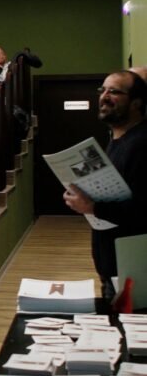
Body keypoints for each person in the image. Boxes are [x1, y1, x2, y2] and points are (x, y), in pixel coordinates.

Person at [64, 71, 147, 300]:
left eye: (114, 91)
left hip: (135, 268)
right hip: (111, 265)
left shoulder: (142, 144)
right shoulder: (116, 139)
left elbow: (142, 209)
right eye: (102, 90)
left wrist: (91, 207)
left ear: (136, 102)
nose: (104, 96)